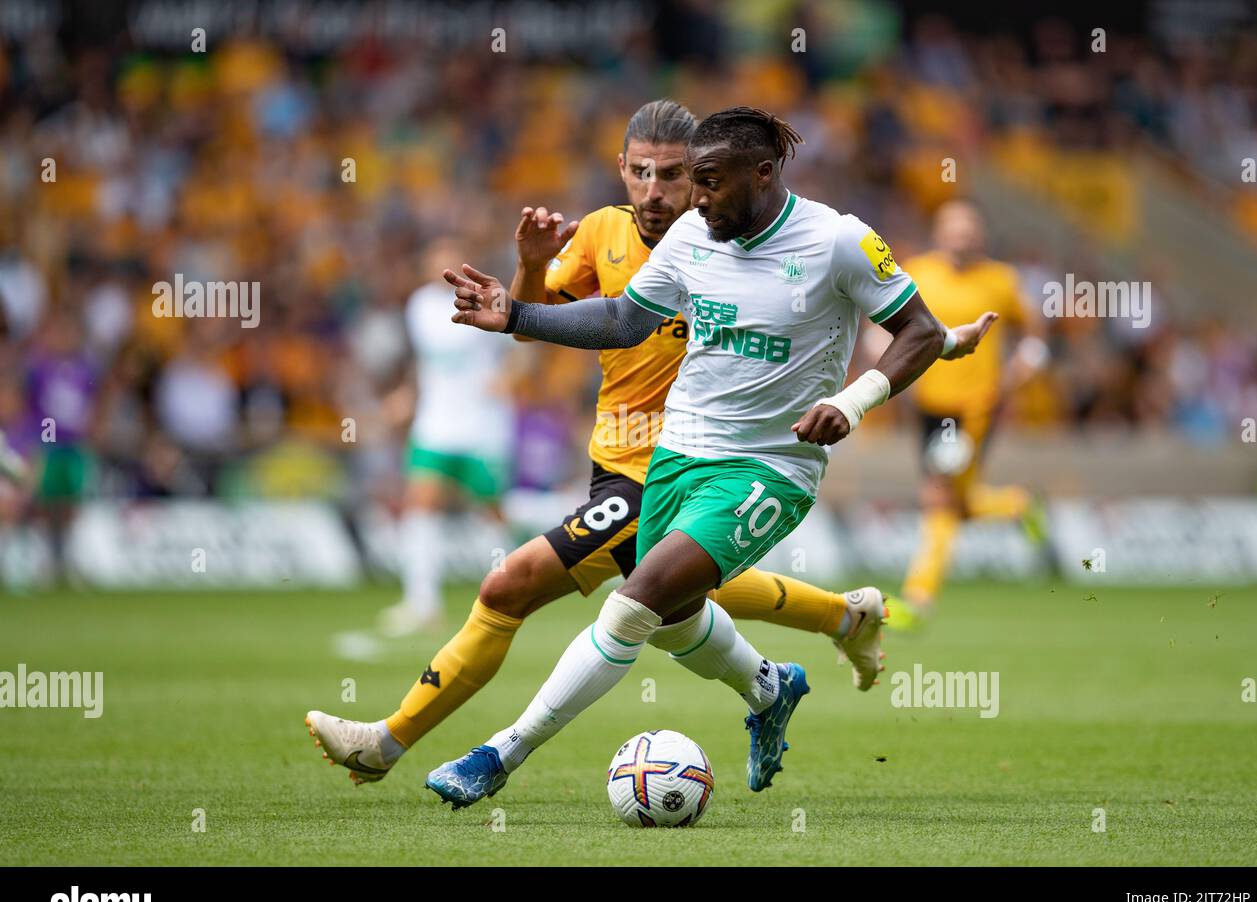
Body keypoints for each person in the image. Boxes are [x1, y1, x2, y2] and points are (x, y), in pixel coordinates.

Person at [425, 106, 996, 807]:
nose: (696, 198)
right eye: (693, 181)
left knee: (633, 605)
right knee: (671, 618)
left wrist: (851, 403)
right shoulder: (695, 233)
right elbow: (622, 318)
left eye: (712, 182)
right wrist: (517, 315)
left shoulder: (838, 240)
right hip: (676, 455)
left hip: (768, 469)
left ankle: (498, 755)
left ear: (764, 172)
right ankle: (769, 686)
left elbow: (918, 330)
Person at [306, 101, 891, 785]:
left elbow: (848, 301)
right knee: (677, 605)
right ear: (620, 169)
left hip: (686, 463)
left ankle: (394, 743)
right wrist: (528, 269)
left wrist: (904, 360)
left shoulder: (739, 239)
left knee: (511, 584)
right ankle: (817, 642)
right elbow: (545, 324)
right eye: (640, 172)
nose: (655, 190)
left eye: (675, 175)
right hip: (616, 459)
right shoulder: (604, 236)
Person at [892, 200, 1048, 628]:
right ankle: (1015, 504)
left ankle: (918, 596)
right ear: (938, 233)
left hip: (976, 407)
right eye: (953, 228)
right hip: (927, 403)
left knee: (938, 497)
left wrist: (1022, 370)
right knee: (955, 501)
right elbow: (891, 320)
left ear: (980, 235)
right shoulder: (917, 271)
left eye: (968, 229)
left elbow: (1034, 332)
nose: (961, 237)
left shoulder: (1001, 279)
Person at [375, 238, 516, 638]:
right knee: (420, 504)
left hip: (482, 424)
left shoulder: (489, 298)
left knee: (492, 512)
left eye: (451, 260)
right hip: (436, 423)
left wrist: (509, 377)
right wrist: (407, 395)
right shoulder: (418, 305)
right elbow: (426, 361)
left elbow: (522, 345)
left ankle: (508, 593)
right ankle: (422, 604)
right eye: (436, 260)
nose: (444, 267)